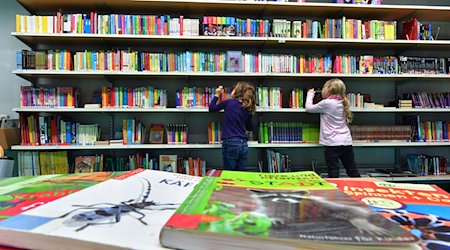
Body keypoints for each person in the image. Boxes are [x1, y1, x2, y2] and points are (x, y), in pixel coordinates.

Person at [305, 78, 360, 178]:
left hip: (332, 143)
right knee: (352, 170)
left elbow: (309, 108)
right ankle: (361, 190)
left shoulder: (326, 103)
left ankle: (334, 193)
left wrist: (310, 94)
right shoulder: (343, 102)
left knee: (333, 172)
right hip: (346, 142)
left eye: (323, 88)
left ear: (329, 89)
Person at [209, 81, 256, 170]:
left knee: (229, 173)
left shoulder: (228, 103)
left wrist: (217, 95)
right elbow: (250, 127)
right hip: (243, 143)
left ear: (237, 92)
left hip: (230, 142)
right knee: (240, 174)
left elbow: (212, 108)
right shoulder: (247, 107)